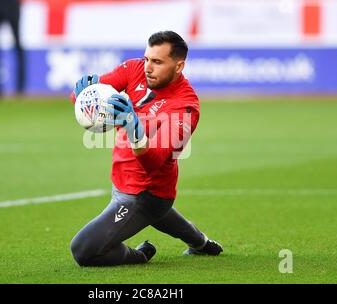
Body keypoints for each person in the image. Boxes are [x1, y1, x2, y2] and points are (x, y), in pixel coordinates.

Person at [70, 31, 223, 266]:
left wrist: (133, 126)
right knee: (158, 217)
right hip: (121, 180)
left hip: (146, 193)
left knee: (83, 249)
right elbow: (86, 101)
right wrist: (81, 92)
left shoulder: (186, 108)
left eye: (158, 62)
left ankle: (140, 254)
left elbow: (154, 163)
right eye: (147, 59)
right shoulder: (134, 69)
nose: (148, 68)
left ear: (179, 66)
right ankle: (200, 242)